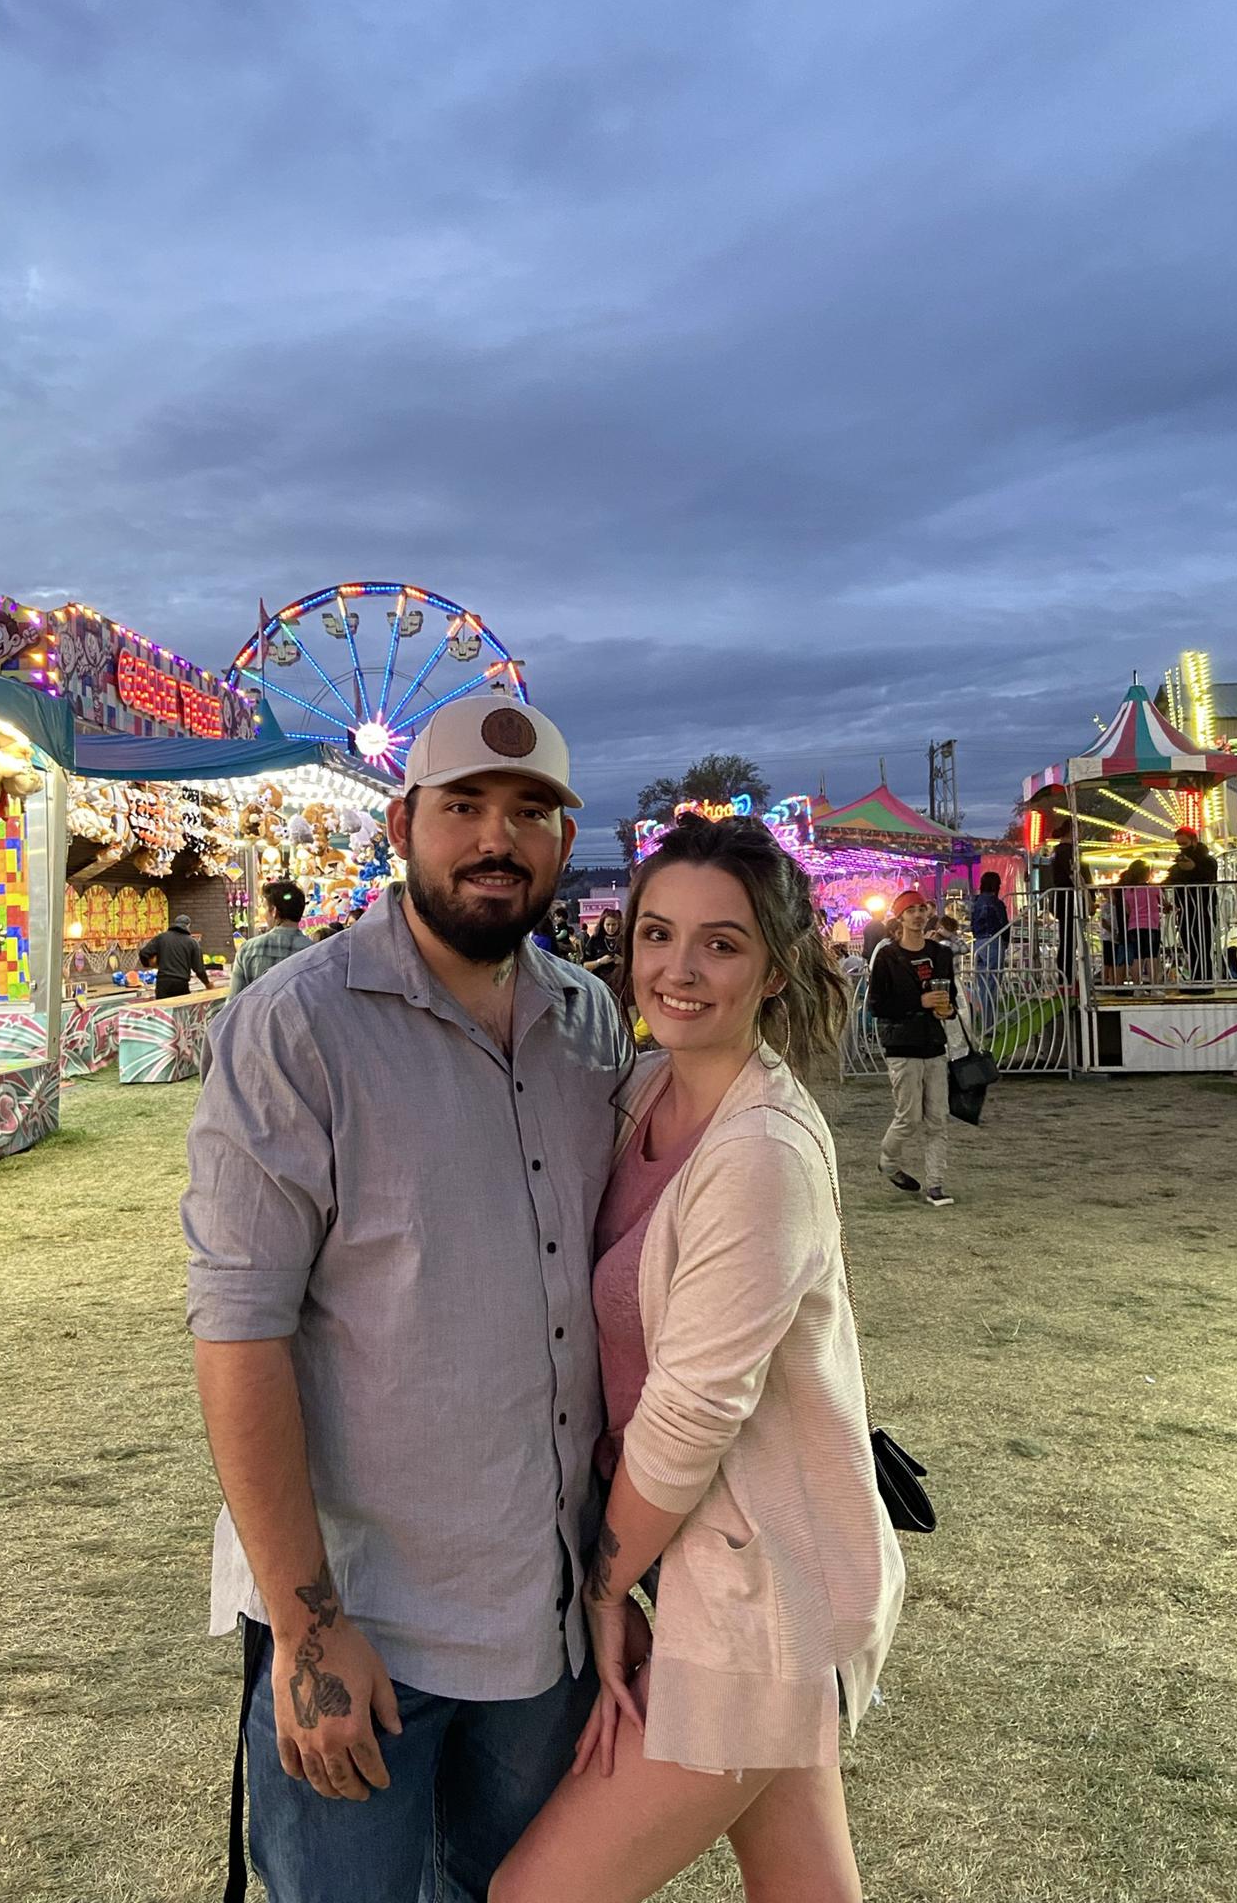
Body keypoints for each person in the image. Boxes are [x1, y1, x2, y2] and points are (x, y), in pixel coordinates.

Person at [182, 695, 629, 1903]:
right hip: (364, 1613)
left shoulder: (589, 1021)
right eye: (464, 806)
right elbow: (239, 1331)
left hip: (543, 1619)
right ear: (400, 824)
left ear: (562, 836)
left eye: (530, 812)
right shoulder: (295, 1027)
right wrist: (308, 1627)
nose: (498, 838)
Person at [493, 814, 903, 1903]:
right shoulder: (639, 1092)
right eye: (657, 933)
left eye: (720, 943)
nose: (678, 968)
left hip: (765, 1592)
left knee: (535, 1894)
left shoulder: (759, 1152)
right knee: (804, 1883)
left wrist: (602, 1588)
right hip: (719, 1568)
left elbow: (690, 1416)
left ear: (775, 969)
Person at [866, 890, 956, 1207]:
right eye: (911, 910)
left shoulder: (940, 954)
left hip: (933, 1041)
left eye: (921, 909)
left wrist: (948, 1010)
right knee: (909, 1117)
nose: (918, 915)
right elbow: (877, 1005)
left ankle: (936, 1184)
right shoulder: (888, 957)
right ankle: (888, 1162)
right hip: (902, 1044)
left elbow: (950, 996)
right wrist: (919, 1002)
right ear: (900, 917)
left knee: (938, 1118)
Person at [228, 881, 315, 998]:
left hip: (257, 1010)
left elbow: (234, 1002)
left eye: (264, 907)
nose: (263, 913)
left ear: (274, 911)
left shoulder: (248, 949)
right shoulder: (315, 952)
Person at [1165, 828, 1219, 987]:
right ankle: (1197, 979)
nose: (1182, 847)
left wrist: (1191, 867)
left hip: (1203, 909)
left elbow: (1205, 876)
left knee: (1202, 945)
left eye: (1184, 843)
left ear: (1194, 841)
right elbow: (1171, 879)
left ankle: (1204, 980)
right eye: (1179, 844)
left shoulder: (1207, 861)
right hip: (1185, 910)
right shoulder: (1180, 864)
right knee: (1189, 945)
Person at [969, 871, 1010, 1030]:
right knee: (992, 985)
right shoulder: (996, 903)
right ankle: (989, 1025)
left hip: (978, 943)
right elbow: (1003, 924)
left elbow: (972, 924)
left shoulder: (976, 902)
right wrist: (1005, 941)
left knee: (983, 986)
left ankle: (982, 1022)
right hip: (993, 942)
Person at [139, 912, 212, 1000]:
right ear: (188, 926)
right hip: (181, 983)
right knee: (180, 1008)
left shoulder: (162, 938)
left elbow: (143, 953)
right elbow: (199, 969)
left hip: (163, 982)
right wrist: (207, 984)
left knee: (163, 1007)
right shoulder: (192, 942)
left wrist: (150, 964)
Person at [1047, 817, 1082, 984]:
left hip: (1062, 899)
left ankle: (1066, 975)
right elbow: (1073, 874)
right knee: (1069, 939)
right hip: (1068, 898)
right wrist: (1086, 895)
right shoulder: (1067, 851)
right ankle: (1066, 977)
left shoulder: (1057, 851)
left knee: (1068, 938)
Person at [1120, 858, 1162, 984]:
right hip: (1151, 925)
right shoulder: (1153, 889)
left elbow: (1128, 910)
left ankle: (1137, 986)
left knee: (1137, 957)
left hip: (1134, 926)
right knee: (1152, 956)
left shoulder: (1128, 891)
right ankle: (1154, 986)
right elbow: (1163, 903)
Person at [584, 907, 624, 987]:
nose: (611, 928)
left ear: (619, 924)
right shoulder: (595, 940)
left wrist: (622, 961)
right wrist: (600, 962)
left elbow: (637, 964)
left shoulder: (625, 940)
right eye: (608, 924)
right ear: (602, 924)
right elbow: (585, 965)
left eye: (614, 925)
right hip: (599, 984)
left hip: (621, 984)